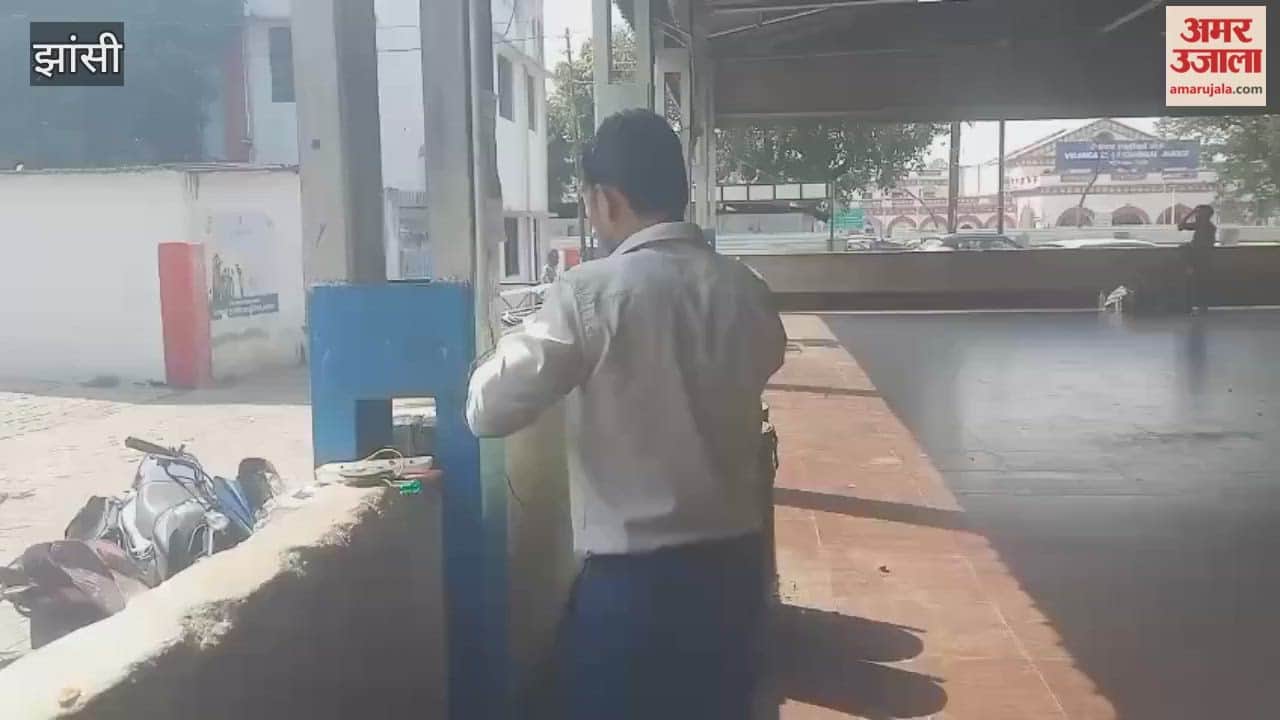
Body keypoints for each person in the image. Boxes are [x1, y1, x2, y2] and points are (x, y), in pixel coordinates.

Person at [465, 109, 787, 718]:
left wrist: (506, 348)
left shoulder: (589, 293)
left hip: (635, 593)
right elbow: (767, 357)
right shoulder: (745, 288)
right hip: (733, 578)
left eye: (588, 199)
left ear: (608, 200)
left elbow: (488, 409)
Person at [1178, 204, 1217, 312]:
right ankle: (1196, 305)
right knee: (1196, 283)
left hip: (1201, 260)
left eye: (1199, 213)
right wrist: (1191, 213)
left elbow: (1204, 246)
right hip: (1197, 259)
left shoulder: (1209, 228)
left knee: (1200, 283)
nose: (1197, 215)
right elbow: (1180, 226)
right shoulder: (1200, 226)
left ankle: (1201, 305)